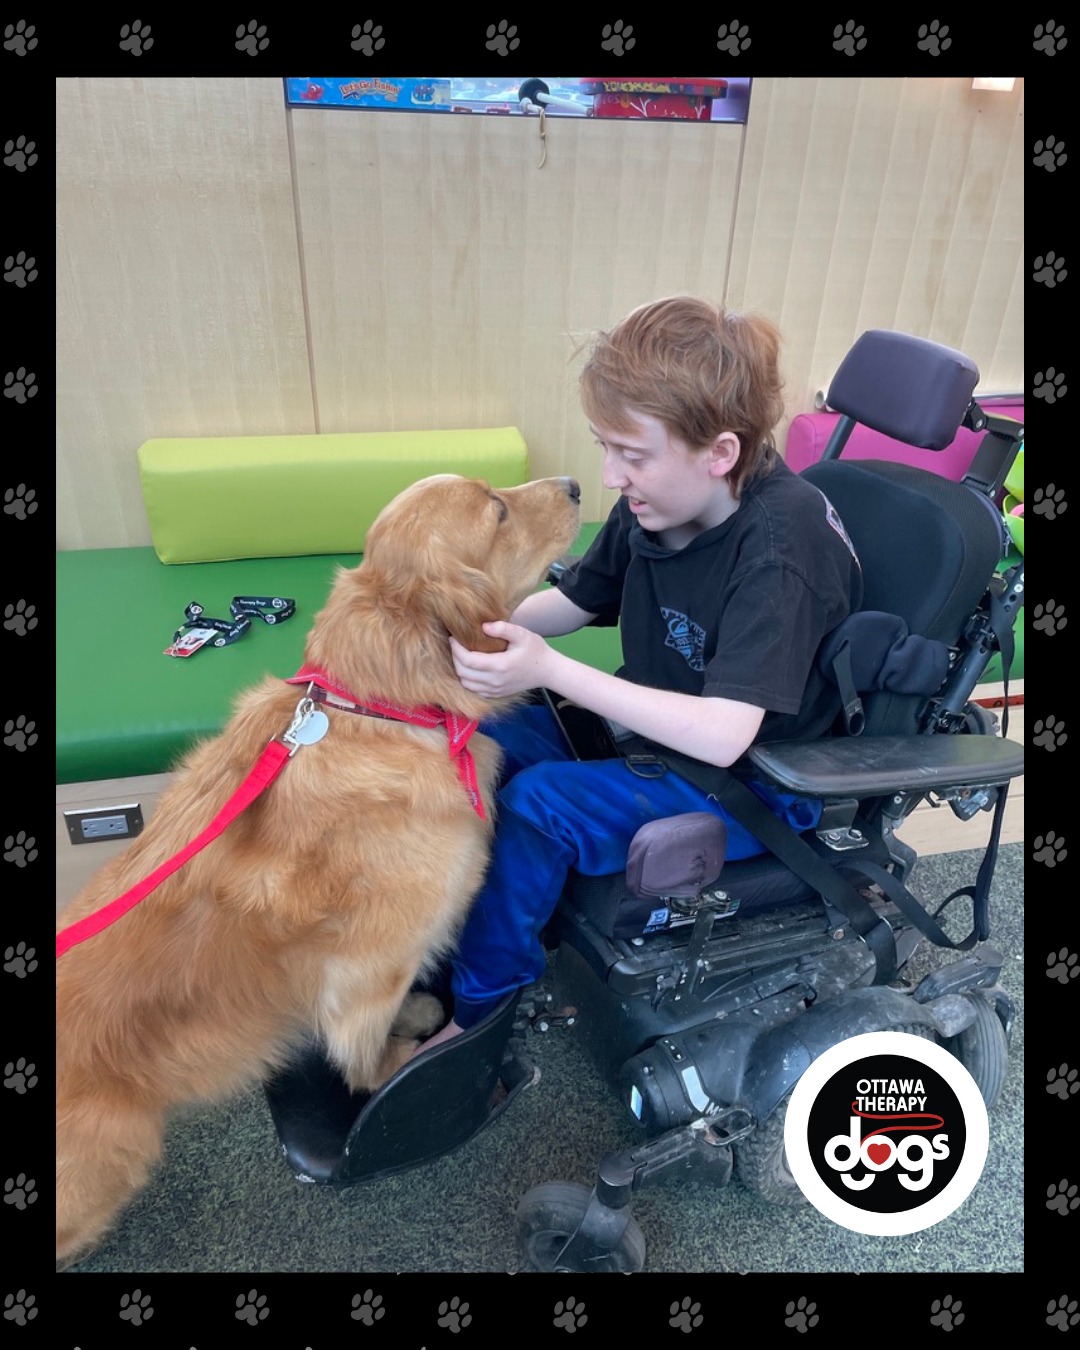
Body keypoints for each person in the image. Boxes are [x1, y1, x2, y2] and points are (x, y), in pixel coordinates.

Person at [419, 295, 863, 1052]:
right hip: (655, 744)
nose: (610, 474)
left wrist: (549, 669)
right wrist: (465, 636)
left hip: (751, 786)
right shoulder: (661, 496)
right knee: (486, 727)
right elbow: (578, 600)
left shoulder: (781, 550)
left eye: (630, 452)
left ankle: (476, 1012)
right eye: (606, 447)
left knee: (537, 803)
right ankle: (432, 936)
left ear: (719, 452)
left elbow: (725, 736)